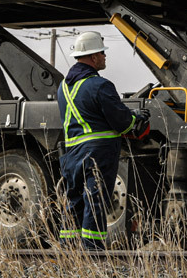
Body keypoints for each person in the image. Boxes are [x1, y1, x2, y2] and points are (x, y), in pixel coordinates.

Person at [58, 30, 147, 248]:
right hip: (97, 154)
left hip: (72, 155)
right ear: (93, 57)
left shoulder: (63, 87)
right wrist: (137, 118)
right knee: (95, 201)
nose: (105, 56)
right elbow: (123, 123)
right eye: (102, 53)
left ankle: (68, 252)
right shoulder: (100, 85)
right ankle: (93, 253)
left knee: (74, 202)